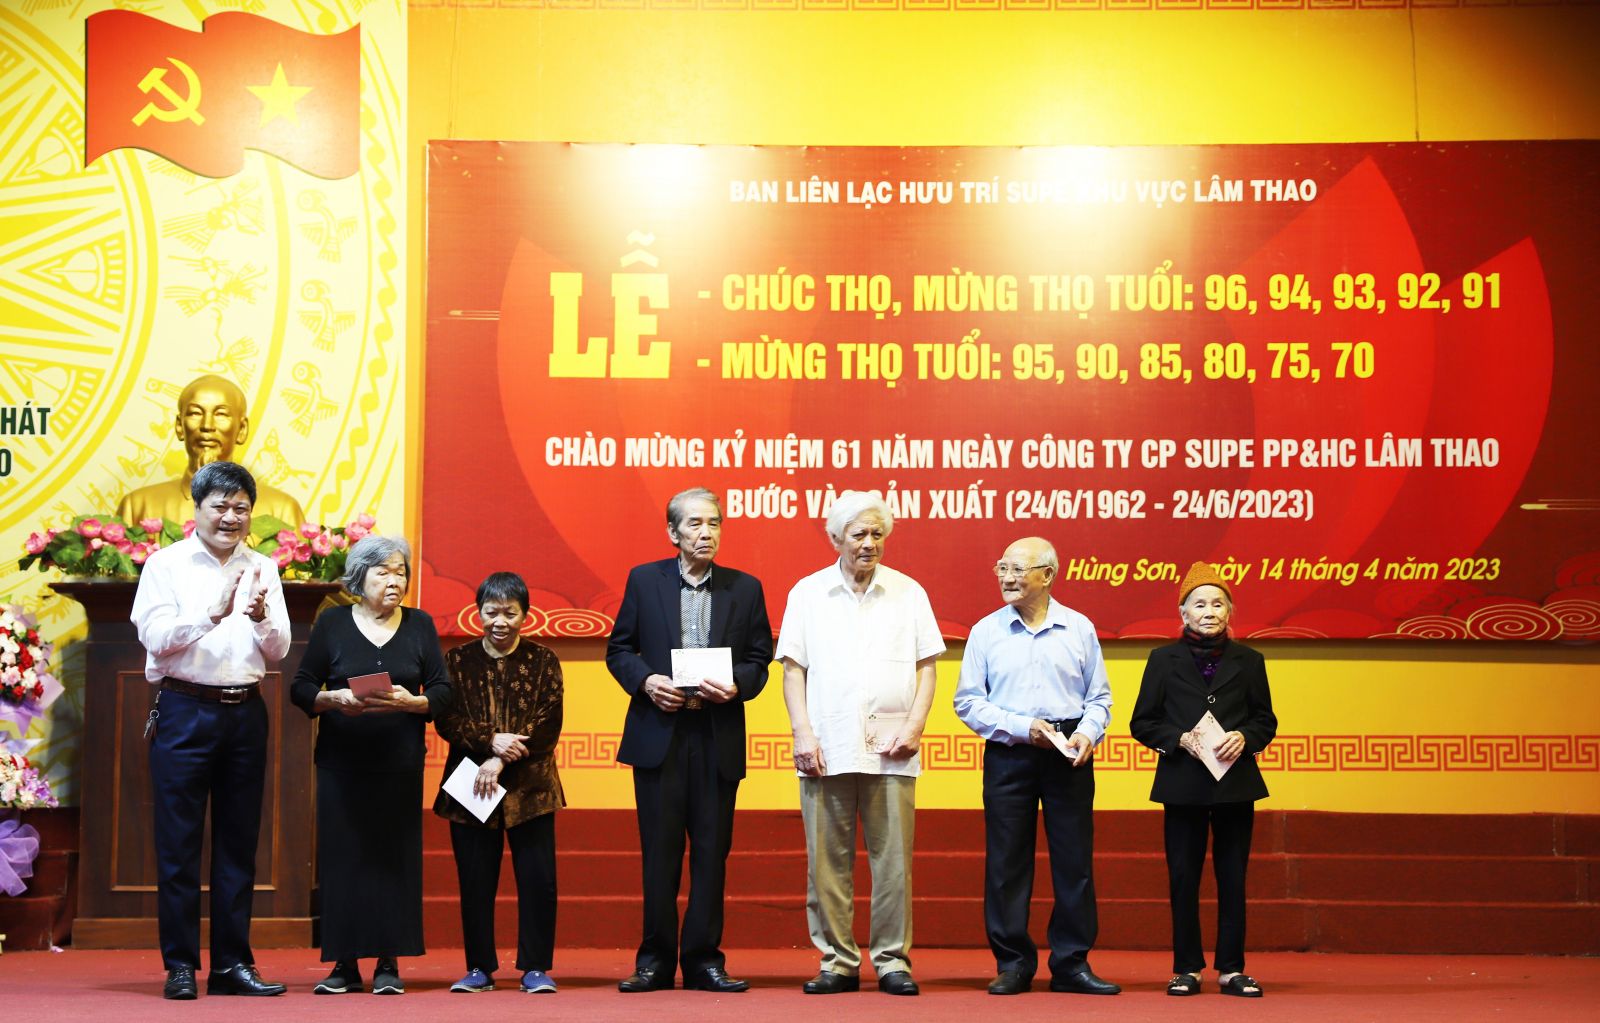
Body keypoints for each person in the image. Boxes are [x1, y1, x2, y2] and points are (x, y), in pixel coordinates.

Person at [132, 461, 291, 1000]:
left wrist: (262, 617)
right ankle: (180, 965)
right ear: (197, 509)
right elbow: (155, 638)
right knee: (178, 845)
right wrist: (213, 613)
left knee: (238, 845)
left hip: (246, 713)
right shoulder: (166, 565)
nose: (231, 517)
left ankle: (231, 965)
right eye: (220, 506)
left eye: (241, 508)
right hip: (185, 710)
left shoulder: (264, 567)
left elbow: (279, 650)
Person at [605, 487, 773, 993]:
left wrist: (738, 684)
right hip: (661, 734)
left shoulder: (745, 588)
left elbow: (760, 659)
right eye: (695, 524)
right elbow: (620, 650)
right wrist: (645, 681)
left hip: (716, 735)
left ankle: (703, 960)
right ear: (672, 533)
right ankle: (654, 962)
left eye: (714, 523)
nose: (706, 533)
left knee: (710, 853)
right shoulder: (644, 580)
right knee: (659, 854)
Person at [777, 490, 944, 997]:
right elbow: (792, 670)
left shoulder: (909, 592)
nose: (869, 543)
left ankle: (892, 961)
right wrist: (802, 732)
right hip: (825, 747)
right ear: (836, 538)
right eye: (859, 534)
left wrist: (915, 726)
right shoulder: (807, 593)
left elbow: (927, 667)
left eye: (877, 533)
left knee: (893, 864)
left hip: (893, 747)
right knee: (826, 864)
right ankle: (838, 962)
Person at [954, 537, 1121, 996]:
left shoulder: (1079, 628)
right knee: (1006, 863)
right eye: (1002, 568)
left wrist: (1088, 733)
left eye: (1017, 569)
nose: (1007, 578)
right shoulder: (986, 631)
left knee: (1074, 862)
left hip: (1069, 752)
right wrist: (1022, 727)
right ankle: (1013, 963)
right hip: (1010, 751)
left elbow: (1099, 698)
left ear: (1047, 575)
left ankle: (1071, 963)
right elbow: (968, 702)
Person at [290, 534, 451, 996]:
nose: (395, 580)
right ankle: (344, 963)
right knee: (344, 859)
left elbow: (442, 691)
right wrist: (334, 698)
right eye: (383, 572)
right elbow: (301, 687)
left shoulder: (419, 625)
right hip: (342, 762)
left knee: (392, 859)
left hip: (399, 762)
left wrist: (412, 702)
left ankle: (387, 962)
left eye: (401, 572)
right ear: (359, 579)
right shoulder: (333, 623)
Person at [1129, 562, 1277, 999]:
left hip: (1235, 785)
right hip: (1182, 783)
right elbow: (1143, 722)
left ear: (1229, 612)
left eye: (1217, 604)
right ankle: (1186, 968)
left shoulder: (1250, 661)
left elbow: (1264, 720)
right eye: (1199, 604)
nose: (1208, 611)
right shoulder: (1162, 660)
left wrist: (1245, 737)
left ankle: (1232, 969)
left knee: (1233, 877)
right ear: (1183, 613)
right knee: (1183, 877)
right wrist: (1178, 739)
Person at [433, 572, 565, 995]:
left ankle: (535, 967)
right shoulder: (456, 661)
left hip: (532, 788)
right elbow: (446, 719)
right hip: (472, 786)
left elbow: (548, 723)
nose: (500, 622)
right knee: (475, 881)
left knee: (538, 881)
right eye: (492, 612)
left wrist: (498, 759)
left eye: (510, 613)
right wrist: (490, 741)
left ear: (525, 614)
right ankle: (478, 968)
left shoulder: (544, 660)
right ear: (478, 613)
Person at [118, 374, 306, 530]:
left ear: (242, 429)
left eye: (221, 414)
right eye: (195, 413)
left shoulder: (281, 510)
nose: (207, 425)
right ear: (179, 426)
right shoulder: (138, 507)